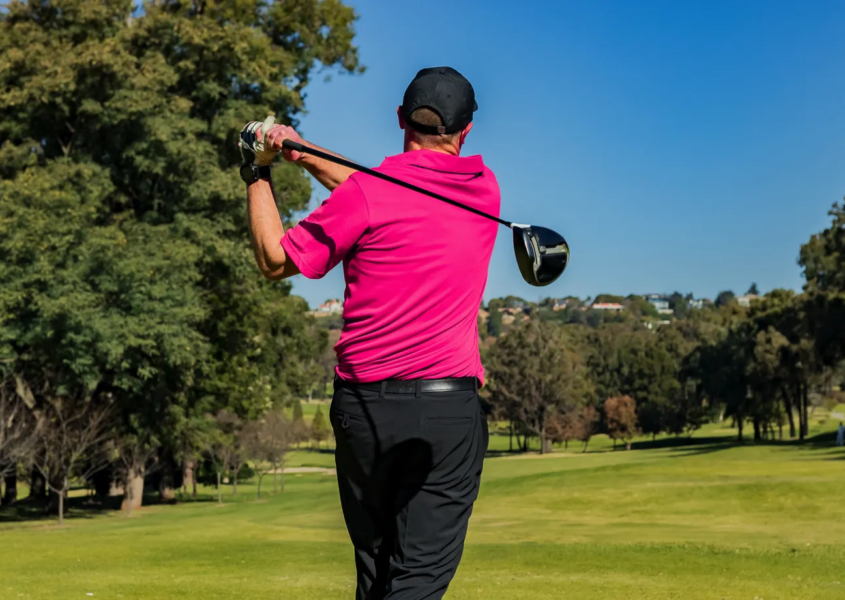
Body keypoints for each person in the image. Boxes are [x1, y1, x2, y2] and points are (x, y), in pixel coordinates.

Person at [238, 67, 499, 599]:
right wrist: (298, 150)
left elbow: (274, 259)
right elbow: (377, 190)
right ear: (466, 132)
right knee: (417, 580)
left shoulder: (369, 195)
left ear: (401, 119)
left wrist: (256, 170)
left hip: (363, 411)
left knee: (378, 574)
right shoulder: (483, 189)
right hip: (446, 415)